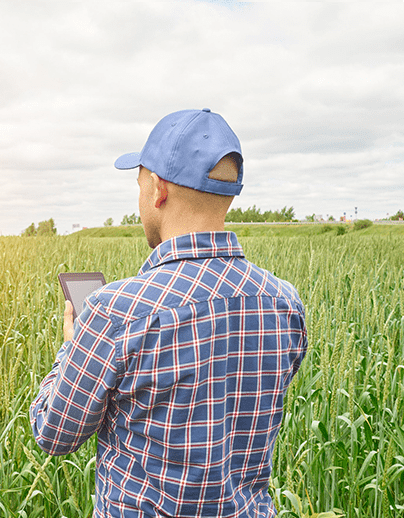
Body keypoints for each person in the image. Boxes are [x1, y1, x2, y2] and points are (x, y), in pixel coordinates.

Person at [29, 108, 307, 517]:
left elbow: (54, 433)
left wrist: (73, 349)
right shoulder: (284, 302)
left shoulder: (115, 311)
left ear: (157, 190)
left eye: (140, 185)